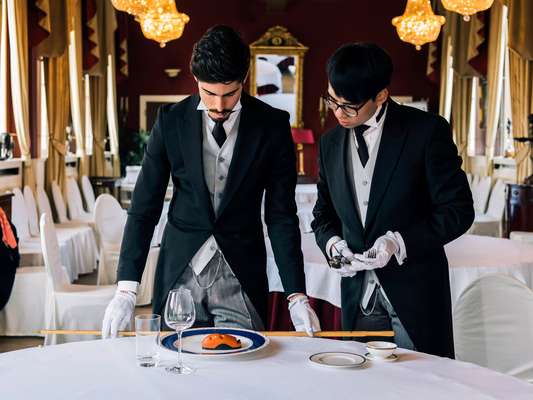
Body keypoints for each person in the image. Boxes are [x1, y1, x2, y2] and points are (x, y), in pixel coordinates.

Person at [101, 25, 320, 338]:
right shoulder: (170, 121)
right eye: (209, 93)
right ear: (195, 80)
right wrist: (126, 289)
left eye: (229, 94)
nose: (219, 106)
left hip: (241, 275)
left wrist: (296, 295)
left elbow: (281, 215)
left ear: (244, 80)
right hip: (179, 273)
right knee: (177, 371)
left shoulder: (272, 126)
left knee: (241, 372)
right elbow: (143, 208)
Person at [311, 42, 474, 357]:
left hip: (415, 294)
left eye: (349, 106)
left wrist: (398, 242)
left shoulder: (426, 131)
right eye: (332, 100)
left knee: (422, 386)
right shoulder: (329, 143)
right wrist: (334, 245)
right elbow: (323, 215)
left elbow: (458, 211)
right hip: (357, 298)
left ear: (381, 96)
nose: (337, 113)